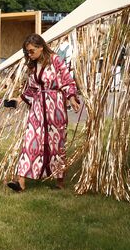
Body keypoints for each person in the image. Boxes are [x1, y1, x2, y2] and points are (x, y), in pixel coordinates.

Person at [7, 34, 80, 192]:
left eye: (32, 51)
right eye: (27, 52)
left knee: (56, 144)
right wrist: (18, 100)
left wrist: (72, 98)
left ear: (41, 47)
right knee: (30, 140)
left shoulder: (55, 60)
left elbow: (67, 81)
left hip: (55, 107)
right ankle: (21, 182)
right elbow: (33, 88)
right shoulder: (33, 65)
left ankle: (59, 180)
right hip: (38, 108)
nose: (29, 55)